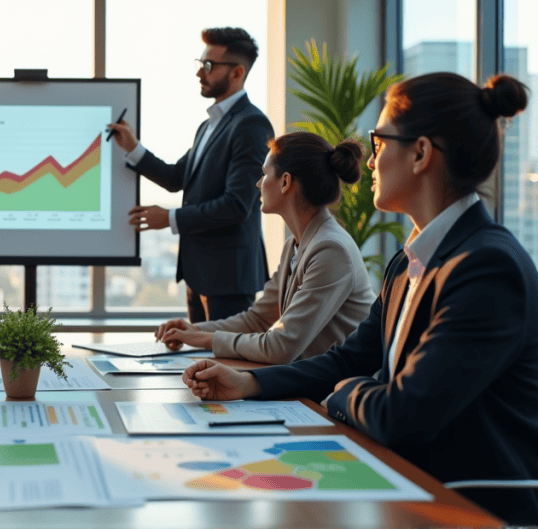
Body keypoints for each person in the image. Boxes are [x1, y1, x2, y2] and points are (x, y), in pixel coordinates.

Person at [182, 72, 537, 524]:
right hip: (407, 483)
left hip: (467, 506)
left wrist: (345, 394)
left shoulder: (487, 267)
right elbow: (348, 360)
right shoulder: (410, 261)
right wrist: (250, 384)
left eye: (380, 141)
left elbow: (404, 413)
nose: (370, 161)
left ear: (421, 154)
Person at [154, 132, 375, 364]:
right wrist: (194, 330)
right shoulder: (296, 244)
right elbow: (258, 320)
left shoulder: (331, 250)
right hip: (308, 384)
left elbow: (281, 347)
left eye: (264, 174)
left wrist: (207, 339)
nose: (259, 183)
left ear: (285, 182)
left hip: (334, 395)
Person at [109, 27, 274, 323]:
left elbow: (236, 206)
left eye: (208, 66)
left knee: (221, 365)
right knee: (198, 363)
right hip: (199, 275)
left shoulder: (251, 126)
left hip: (228, 281)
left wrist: (170, 218)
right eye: (200, 64)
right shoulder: (208, 126)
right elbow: (175, 177)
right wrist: (133, 148)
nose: (200, 73)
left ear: (237, 73)